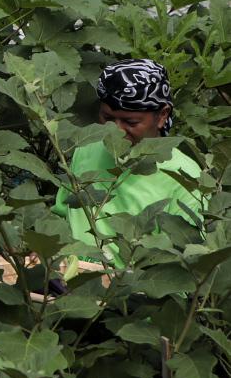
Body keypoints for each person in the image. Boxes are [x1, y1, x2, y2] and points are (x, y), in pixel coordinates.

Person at [54, 58, 201, 267]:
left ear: (162, 115)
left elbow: (189, 266)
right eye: (107, 118)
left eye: (130, 122)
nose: (116, 131)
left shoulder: (185, 177)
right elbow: (62, 214)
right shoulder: (86, 147)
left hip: (131, 295)